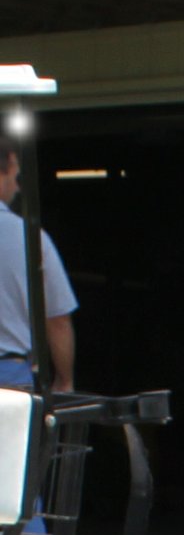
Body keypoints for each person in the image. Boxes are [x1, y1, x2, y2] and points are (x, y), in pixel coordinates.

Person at [0, 140, 76, 393]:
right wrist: (64, 380)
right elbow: (57, 320)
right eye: (15, 176)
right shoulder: (30, 238)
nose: (18, 187)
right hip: (10, 379)